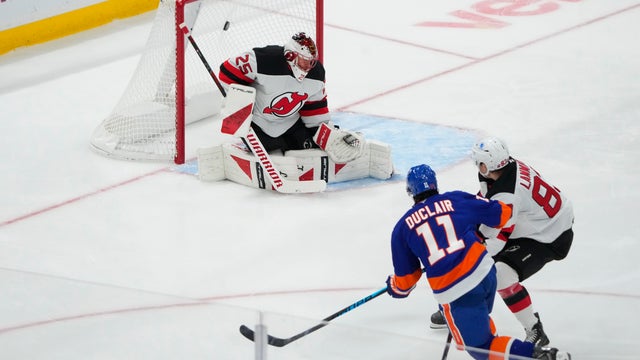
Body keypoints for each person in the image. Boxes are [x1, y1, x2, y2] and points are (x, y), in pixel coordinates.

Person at [386, 164, 571, 360]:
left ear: (410, 191)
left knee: (481, 347)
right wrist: (468, 225)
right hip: (486, 274)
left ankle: (541, 356)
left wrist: (393, 286)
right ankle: (466, 323)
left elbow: (405, 283)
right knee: (479, 322)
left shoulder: (402, 228)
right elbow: (502, 214)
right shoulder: (456, 198)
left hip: (457, 292)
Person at [429, 137, 574, 348]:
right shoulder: (503, 168)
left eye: (479, 162)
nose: (477, 166)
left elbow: (496, 241)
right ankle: (456, 305)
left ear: (488, 164)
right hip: (535, 220)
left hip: (550, 235)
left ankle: (534, 329)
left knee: (501, 274)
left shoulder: (508, 195)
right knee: (475, 246)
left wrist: (466, 251)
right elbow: (486, 203)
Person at [218, 31, 363, 163]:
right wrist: (240, 102)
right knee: (275, 152)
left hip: (291, 123)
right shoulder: (264, 60)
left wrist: (325, 134)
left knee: (308, 148)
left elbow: (315, 109)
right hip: (258, 124)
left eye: (311, 62)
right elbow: (226, 72)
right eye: (304, 61)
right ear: (290, 55)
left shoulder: (316, 74)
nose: (308, 67)